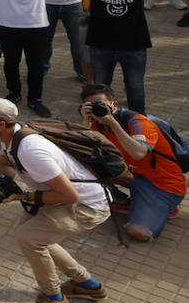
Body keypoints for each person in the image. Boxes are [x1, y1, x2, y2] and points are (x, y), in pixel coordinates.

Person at [0, 96, 110, 303]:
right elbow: (5, 162)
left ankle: (54, 299)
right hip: (61, 198)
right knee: (31, 233)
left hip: (87, 205)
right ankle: (87, 285)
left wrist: (22, 196)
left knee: (29, 238)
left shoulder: (31, 151)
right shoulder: (5, 136)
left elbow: (70, 195)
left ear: (0, 122)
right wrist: (2, 180)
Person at [45, 0, 189, 114]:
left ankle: (139, 121)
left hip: (134, 48)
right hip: (101, 48)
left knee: (135, 87)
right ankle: (103, 119)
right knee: (102, 89)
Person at [79, 84, 185, 242]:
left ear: (114, 104)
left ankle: (166, 206)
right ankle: (125, 201)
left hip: (161, 184)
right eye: (92, 106)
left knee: (138, 231)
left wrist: (113, 124)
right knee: (82, 165)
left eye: (101, 104)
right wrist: (84, 121)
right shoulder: (95, 123)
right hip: (131, 175)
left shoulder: (138, 122)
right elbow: (79, 152)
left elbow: (138, 154)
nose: (98, 110)